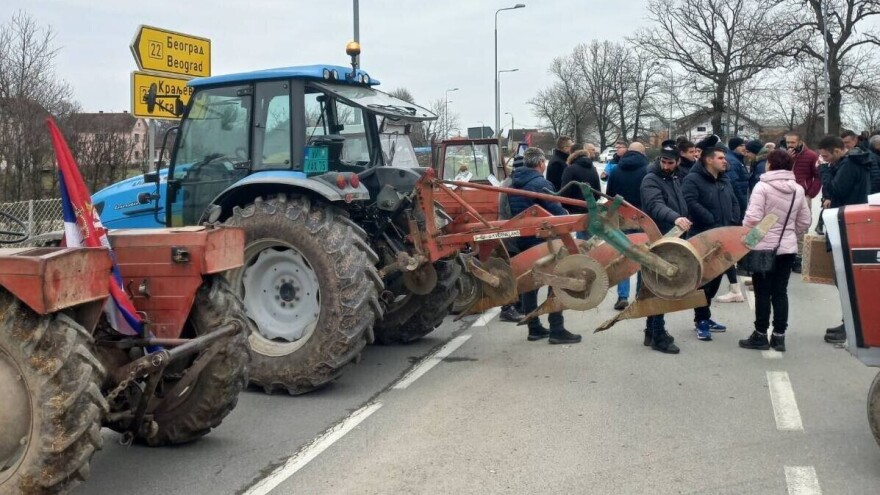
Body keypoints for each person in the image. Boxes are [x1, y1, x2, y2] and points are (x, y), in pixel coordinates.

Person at [738, 150, 812, 352]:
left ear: (770, 164)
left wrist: (748, 237)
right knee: (780, 292)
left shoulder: (762, 187)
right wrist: (789, 233)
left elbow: (752, 218)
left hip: (763, 248)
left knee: (762, 292)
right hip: (787, 249)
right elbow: (805, 221)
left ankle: (760, 335)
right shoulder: (798, 189)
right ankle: (779, 336)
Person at [509, 147, 581, 344]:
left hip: (523, 240)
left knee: (530, 284)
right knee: (557, 280)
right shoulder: (541, 184)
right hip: (543, 240)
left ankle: (534, 328)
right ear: (541, 163)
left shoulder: (514, 183)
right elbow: (556, 212)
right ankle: (556, 327)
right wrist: (567, 216)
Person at [817, 135, 874, 344]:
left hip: (846, 225)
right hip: (854, 223)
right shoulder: (857, 162)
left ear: (838, 151)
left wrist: (824, 171)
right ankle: (849, 323)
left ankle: (851, 326)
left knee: (846, 280)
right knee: (849, 280)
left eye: (826, 156)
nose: (825, 160)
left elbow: (835, 189)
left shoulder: (849, 165)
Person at [682, 146, 740, 340]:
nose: (725, 161)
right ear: (708, 160)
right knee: (703, 280)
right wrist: (711, 219)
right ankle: (701, 321)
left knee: (716, 279)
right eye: (721, 158)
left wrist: (733, 220)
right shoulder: (693, 179)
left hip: (723, 235)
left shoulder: (724, 179)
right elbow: (690, 202)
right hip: (703, 235)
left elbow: (733, 200)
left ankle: (705, 316)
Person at [640, 140, 692, 354]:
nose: (666, 166)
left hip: (672, 237)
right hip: (658, 237)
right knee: (661, 286)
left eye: (670, 162)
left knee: (658, 285)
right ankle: (658, 335)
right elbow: (655, 205)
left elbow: (680, 202)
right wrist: (676, 218)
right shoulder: (651, 179)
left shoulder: (675, 178)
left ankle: (651, 331)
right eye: (664, 161)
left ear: (678, 162)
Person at [605, 142, 650, 311]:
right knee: (644, 255)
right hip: (642, 217)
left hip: (622, 219)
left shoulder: (616, 170)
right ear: (643, 153)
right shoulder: (648, 169)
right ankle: (640, 295)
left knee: (624, 255)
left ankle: (622, 296)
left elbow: (610, 196)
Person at [785, 132, 821, 274]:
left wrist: (810, 194)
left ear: (800, 142)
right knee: (786, 225)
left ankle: (798, 259)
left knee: (801, 227)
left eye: (793, 142)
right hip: (786, 194)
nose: (790, 145)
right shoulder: (784, 155)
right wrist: (788, 159)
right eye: (788, 142)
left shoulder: (811, 155)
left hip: (803, 195)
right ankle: (787, 256)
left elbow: (818, 176)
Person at [497, 155, 525, 323]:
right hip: (511, 231)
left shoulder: (508, 181)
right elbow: (509, 211)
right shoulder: (512, 184)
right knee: (513, 270)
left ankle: (517, 303)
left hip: (508, 229)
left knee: (516, 269)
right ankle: (507, 308)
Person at [560, 146, 602, 240]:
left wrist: (566, 207)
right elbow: (598, 191)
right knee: (589, 236)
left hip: (575, 209)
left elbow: (564, 192)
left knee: (581, 238)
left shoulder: (570, 169)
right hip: (590, 208)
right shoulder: (593, 169)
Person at [725, 138, 750, 219]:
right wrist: (742, 202)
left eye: (744, 145)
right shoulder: (733, 161)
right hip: (739, 201)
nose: (744, 148)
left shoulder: (737, 159)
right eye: (741, 146)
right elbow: (733, 182)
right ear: (733, 147)